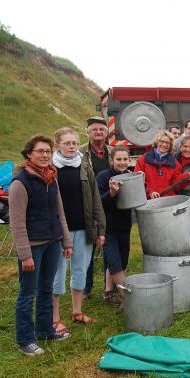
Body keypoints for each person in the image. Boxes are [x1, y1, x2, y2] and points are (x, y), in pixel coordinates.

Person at [9, 134, 73, 356]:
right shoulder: (20, 183)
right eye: (40, 151)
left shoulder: (51, 178)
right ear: (29, 154)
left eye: (48, 151)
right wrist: (25, 254)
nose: (45, 155)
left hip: (52, 242)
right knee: (28, 292)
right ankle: (25, 340)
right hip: (33, 246)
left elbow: (60, 212)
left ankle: (45, 331)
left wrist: (66, 240)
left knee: (46, 288)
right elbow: (16, 223)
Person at [51, 128, 105, 333]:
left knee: (80, 270)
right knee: (57, 272)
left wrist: (100, 228)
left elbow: (95, 198)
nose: (72, 146)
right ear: (58, 146)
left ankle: (76, 311)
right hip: (59, 231)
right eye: (67, 143)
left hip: (84, 228)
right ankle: (55, 317)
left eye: (74, 143)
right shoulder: (50, 169)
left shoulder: (84, 167)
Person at [79, 116, 113, 299]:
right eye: (95, 129)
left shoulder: (113, 152)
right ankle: (85, 287)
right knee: (89, 245)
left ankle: (109, 287)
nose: (99, 132)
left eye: (102, 129)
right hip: (89, 204)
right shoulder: (80, 152)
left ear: (107, 133)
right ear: (88, 133)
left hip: (110, 203)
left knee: (109, 244)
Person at [96, 145, 133, 311]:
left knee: (122, 260)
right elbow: (98, 202)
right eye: (119, 159)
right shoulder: (103, 177)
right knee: (114, 261)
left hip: (125, 226)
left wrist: (140, 181)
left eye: (125, 159)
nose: (122, 162)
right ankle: (128, 298)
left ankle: (108, 292)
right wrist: (111, 193)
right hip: (107, 227)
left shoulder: (130, 176)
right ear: (112, 160)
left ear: (129, 160)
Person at [134, 129, 190, 199]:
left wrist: (186, 178)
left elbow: (175, 186)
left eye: (167, 143)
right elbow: (138, 181)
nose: (164, 145)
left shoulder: (175, 163)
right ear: (157, 142)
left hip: (167, 201)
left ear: (170, 145)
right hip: (148, 200)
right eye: (162, 141)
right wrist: (150, 191)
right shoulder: (142, 160)